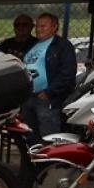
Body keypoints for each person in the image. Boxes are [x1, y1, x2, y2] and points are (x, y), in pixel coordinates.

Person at [21, 12, 76, 142]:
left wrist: (49, 92)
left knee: (48, 139)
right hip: (28, 98)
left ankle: (49, 163)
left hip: (47, 99)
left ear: (54, 27)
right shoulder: (32, 45)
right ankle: (32, 163)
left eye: (43, 26)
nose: (38, 29)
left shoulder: (62, 46)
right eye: (37, 26)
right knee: (31, 139)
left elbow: (67, 73)